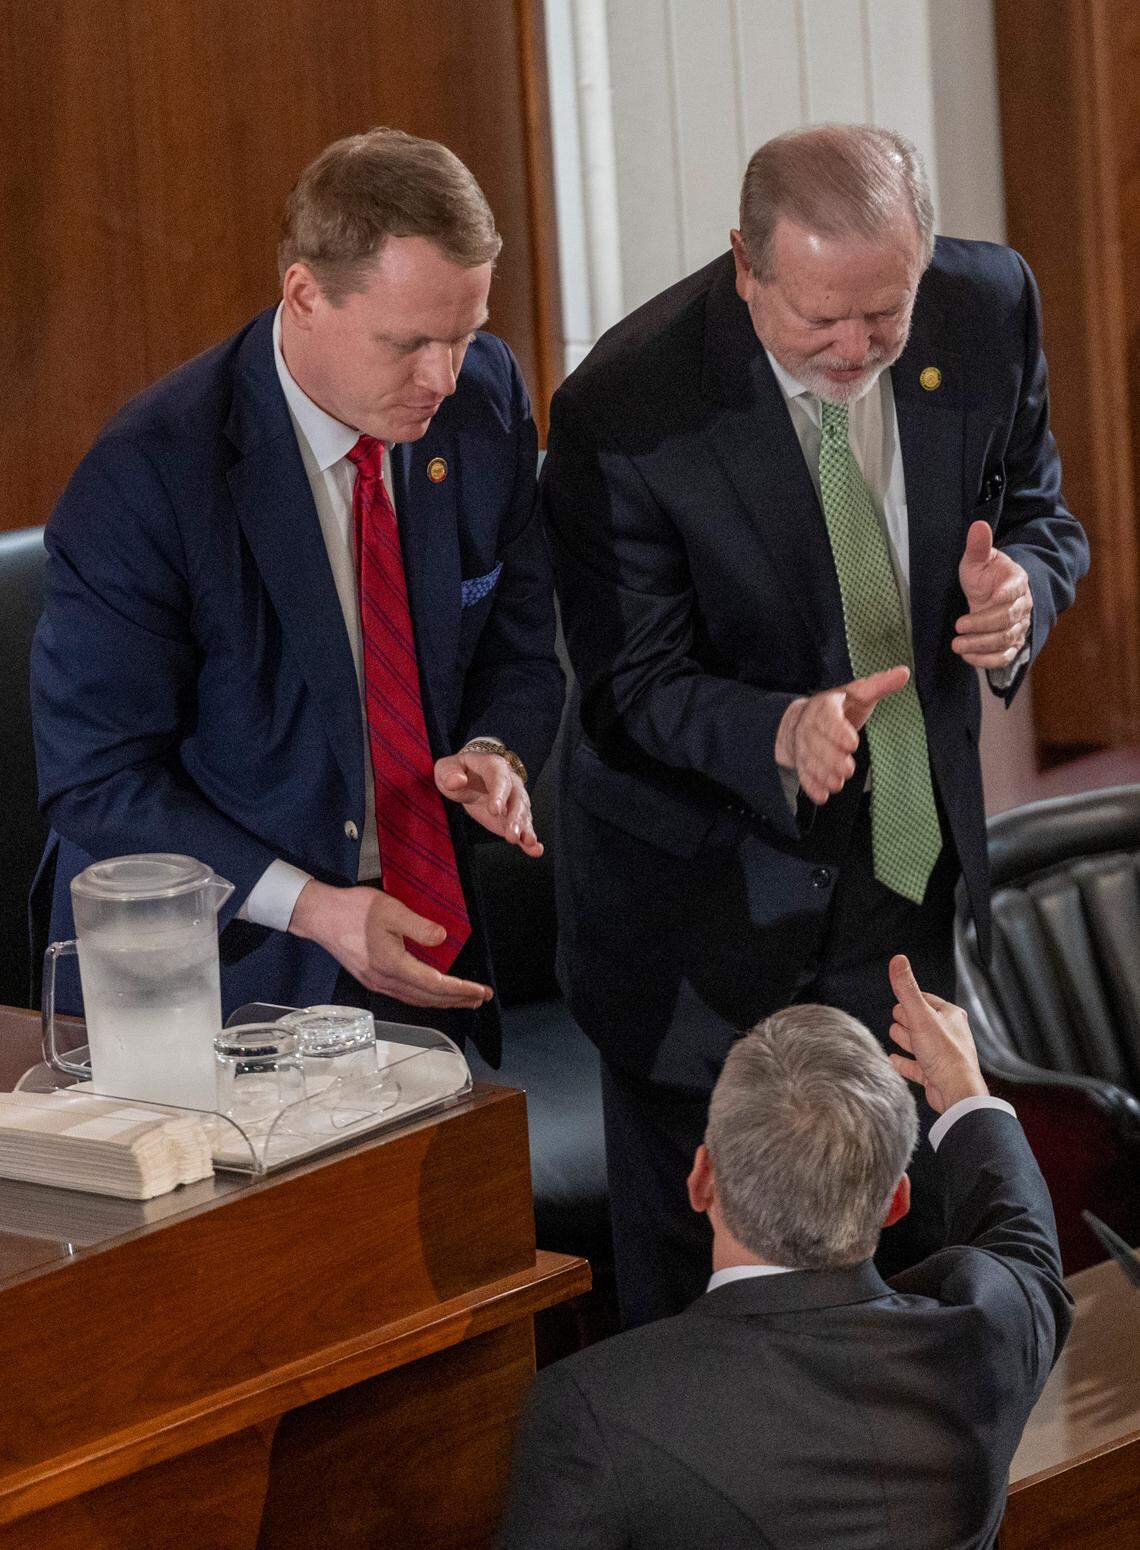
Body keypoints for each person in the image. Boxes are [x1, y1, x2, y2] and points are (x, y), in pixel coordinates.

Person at [541, 123, 1089, 1321]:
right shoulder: (624, 409)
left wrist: (1023, 596)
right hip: (701, 915)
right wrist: (778, 731)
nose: (855, 349)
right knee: (707, 1312)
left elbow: (1041, 511)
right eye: (819, 321)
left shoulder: (985, 307)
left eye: (882, 316)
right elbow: (627, 686)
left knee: (920, 1272)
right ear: (746, 265)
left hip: (906, 876)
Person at [31, 127, 563, 1062]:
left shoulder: (482, 403)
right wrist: (315, 908)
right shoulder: (152, 475)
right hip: (214, 976)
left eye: (466, 334)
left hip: (415, 940)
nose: (443, 377)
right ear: (305, 296)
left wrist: (491, 751)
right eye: (409, 343)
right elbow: (99, 782)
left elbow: (518, 643)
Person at [499, 956, 1073, 1550]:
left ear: (701, 1179)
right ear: (895, 1202)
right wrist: (964, 1092)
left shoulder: (591, 1414)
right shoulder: (989, 1337)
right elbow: (1025, 1242)